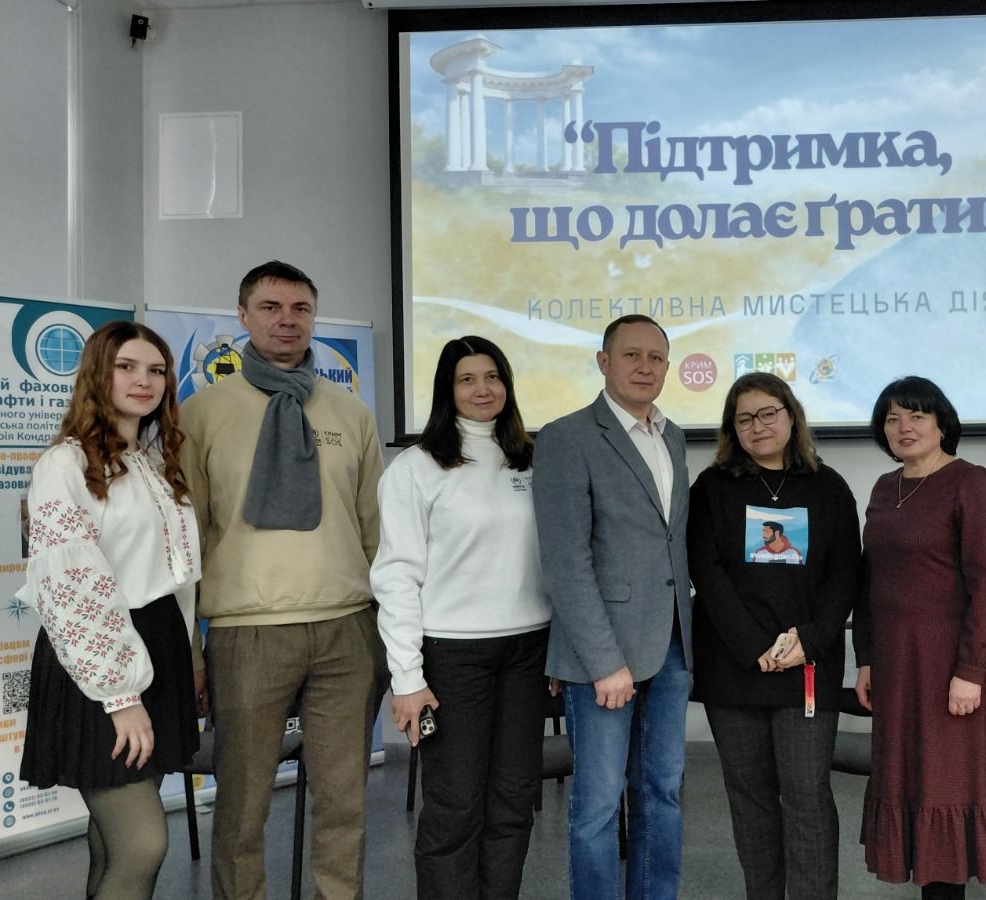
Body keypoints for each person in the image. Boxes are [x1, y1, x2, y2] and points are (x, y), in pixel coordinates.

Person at [180, 260, 386, 900]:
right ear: (243, 316)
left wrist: (387, 630)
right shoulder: (201, 414)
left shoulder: (351, 413)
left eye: (300, 309)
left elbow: (375, 532)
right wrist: (192, 649)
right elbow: (184, 543)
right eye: (270, 307)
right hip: (247, 633)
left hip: (346, 629)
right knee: (242, 806)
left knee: (344, 801)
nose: (287, 320)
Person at [19, 320, 202, 900]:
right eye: (127, 366)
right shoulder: (65, 464)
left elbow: (176, 577)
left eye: (156, 370)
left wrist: (189, 656)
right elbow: (71, 587)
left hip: (156, 647)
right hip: (101, 662)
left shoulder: (152, 461)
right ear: (99, 374)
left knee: (110, 839)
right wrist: (121, 696)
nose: (144, 380)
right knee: (142, 844)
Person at [371, 336, 551, 899]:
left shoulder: (532, 458)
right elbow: (395, 576)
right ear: (447, 390)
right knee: (455, 807)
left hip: (529, 651)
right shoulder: (416, 468)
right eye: (467, 379)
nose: (483, 389)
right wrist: (407, 678)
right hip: (451, 657)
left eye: (492, 376)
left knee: (513, 801)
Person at [533, 314, 692, 900]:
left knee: (663, 793)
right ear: (604, 362)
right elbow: (566, 562)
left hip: (671, 646)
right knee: (598, 805)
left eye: (656, 357)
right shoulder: (566, 438)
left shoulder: (672, 437)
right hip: (602, 658)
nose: (645, 367)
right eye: (631, 355)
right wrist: (603, 663)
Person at [687, 371, 861, 900]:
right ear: (731, 429)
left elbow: (845, 574)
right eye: (744, 418)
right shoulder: (712, 488)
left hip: (807, 665)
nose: (757, 426)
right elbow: (706, 573)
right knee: (750, 800)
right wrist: (755, 646)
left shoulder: (828, 487)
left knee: (807, 794)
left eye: (768, 413)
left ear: (791, 416)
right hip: (735, 666)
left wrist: (808, 639)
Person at [853, 375, 986, 899]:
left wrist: (971, 671)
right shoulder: (885, 486)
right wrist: (866, 658)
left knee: (944, 787)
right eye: (893, 418)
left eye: (917, 416)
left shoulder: (971, 483)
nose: (904, 427)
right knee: (909, 786)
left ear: (941, 423)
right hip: (895, 664)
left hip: (948, 665)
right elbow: (869, 579)